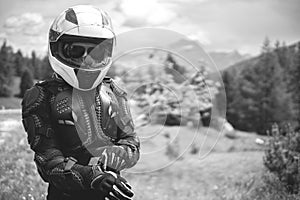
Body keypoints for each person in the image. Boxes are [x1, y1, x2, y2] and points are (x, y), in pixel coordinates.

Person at [21, 5, 140, 200]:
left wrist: (118, 154)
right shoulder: (41, 96)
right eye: (75, 50)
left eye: (96, 52)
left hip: (111, 192)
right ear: (57, 48)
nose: (86, 59)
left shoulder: (115, 93)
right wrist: (92, 176)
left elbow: (132, 142)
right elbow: (47, 160)